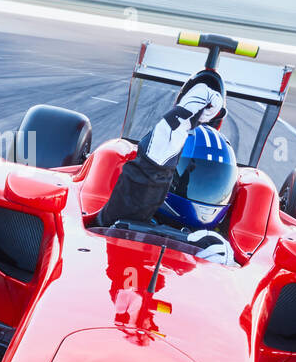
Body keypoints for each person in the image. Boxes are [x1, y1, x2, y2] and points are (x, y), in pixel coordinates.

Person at [94, 70, 238, 264]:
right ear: (169, 175)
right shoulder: (120, 214)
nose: (208, 187)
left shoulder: (222, 247)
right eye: (199, 178)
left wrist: (230, 269)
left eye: (215, 179)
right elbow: (120, 212)